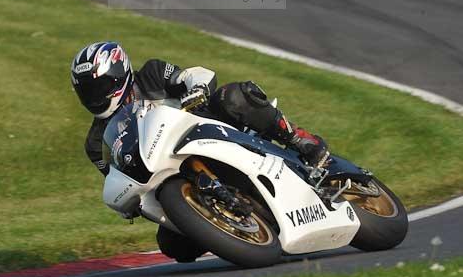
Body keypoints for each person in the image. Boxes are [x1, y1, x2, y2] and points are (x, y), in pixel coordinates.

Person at [71, 40, 328, 262]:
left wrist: (197, 89)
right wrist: (126, 203)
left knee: (233, 96)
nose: (95, 97)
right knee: (173, 246)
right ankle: (227, 229)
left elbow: (193, 75)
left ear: (120, 75)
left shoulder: (151, 74)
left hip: (208, 127)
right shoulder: (96, 143)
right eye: (87, 92)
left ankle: (299, 139)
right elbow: (117, 177)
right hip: (169, 173)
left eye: (100, 88)